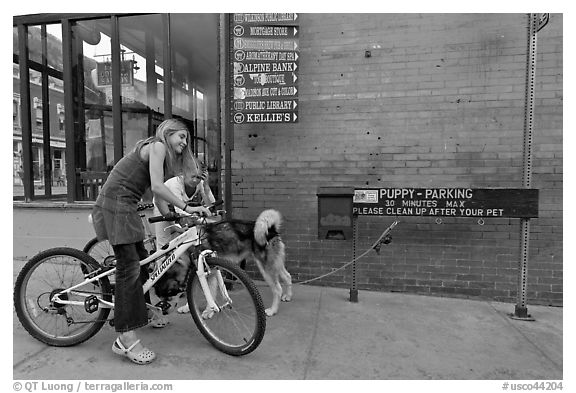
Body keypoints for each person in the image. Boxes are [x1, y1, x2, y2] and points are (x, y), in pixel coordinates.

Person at [90, 119, 211, 365]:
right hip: (116, 204)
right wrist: (187, 206)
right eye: (181, 136)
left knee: (143, 261)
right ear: (167, 133)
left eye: (186, 138)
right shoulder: (157, 146)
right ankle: (125, 338)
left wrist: (172, 213)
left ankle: (142, 311)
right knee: (129, 269)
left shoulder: (160, 152)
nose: (184, 142)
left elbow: (158, 193)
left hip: (126, 205)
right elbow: (157, 186)